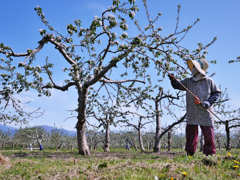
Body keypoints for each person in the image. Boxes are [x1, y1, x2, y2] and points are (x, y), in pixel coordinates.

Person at [168, 59, 221, 156]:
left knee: (208, 134)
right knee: (191, 134)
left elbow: (216, 93)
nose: (192, 68)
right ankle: (190, 153)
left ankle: (210, 154)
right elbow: (177, 86)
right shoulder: (188, 81)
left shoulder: (208, 81)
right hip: (192, 112)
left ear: (199, 69)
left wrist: (208, 102)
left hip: (205, 112)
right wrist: (173, 79)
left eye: (194, 67)